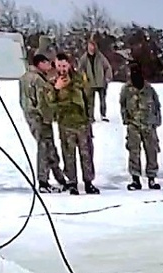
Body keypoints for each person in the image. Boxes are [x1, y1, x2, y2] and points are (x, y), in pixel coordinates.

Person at [45, 53, 98, 195]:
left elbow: (88, 98)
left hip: (81, 122)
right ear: (55, 65)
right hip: (65, 123)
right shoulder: (52, 81)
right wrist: (56, 89)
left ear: (69, 64)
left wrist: (89, 117)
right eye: (59, 66)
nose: (62, 69)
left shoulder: (79, 78)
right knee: (68, 154)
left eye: (64, 65)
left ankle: (88, 182)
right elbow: (49, 103)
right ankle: (72, 182)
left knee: (86, 153)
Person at [19, 54, 67, 193]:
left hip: (31, 116)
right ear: (40, 63)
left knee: (48, 147)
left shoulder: (25, 77)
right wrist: (49, 116)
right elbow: (44, 101)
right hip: (40, 118)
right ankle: (43, 181)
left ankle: (59, 178)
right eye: (47, 63)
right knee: (45, 148)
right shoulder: (38, 79)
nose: (49, 66)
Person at [119, 62, 162, 190]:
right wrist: (126, 120)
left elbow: (156, 105)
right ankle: (135, 179)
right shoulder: (126, 89)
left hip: (148, 124)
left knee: (152, 151)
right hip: (133, 125)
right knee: (134, 151)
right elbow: (123, 105)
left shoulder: (149, 89)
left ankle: (152, 178)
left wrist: (156, 121)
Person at [77, 39, 113, 122]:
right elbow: (80, 68)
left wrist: (107, 77)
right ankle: (90, 117)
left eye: (92, 46)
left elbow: (108, 67)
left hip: (101, 82)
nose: (91, 48)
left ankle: (103, 115)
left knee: (103, 100)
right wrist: (83, 76)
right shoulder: (84, 58)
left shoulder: (100, 57)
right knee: (90, 102)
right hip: (90, 83)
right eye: (89, 46)